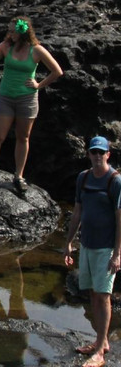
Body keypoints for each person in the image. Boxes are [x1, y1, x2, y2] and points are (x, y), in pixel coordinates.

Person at [0, 15, 63, 189]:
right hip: (5, 97)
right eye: (9, 31)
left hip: (27, 99)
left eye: (12, 31)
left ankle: (19, 176)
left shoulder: (36, 50)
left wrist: (38, 85)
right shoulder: (6, 46)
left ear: (23, 32)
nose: (9, 34)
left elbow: (57, 71)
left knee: (23, 137)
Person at [64, 136, 121, 367]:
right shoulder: (83, 178)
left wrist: (118, 254)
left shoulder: (115, 181)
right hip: (86, 245)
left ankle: (99, 352)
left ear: (108, 154)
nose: (97, 156)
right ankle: (101, 341)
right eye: (93, 152)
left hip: (106, 248)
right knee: (92, 293)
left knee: (104, 296)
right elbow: (77, 211)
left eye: (101, 152)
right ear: (88, 154)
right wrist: (68, 242)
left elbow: (120, 219)